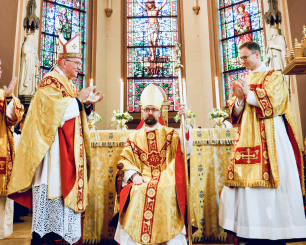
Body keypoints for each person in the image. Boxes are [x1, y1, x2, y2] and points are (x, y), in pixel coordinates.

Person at [8, 33, 104, 245]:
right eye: (77, 63)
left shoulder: (67, 84)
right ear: (64, 62)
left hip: (66, 150)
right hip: (53, 152)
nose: (79, 67)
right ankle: (49, 238)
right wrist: (79, 100)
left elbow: (72, 114)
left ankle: (62, 237)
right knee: (54, 192)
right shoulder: (49, 82)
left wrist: (86, 104)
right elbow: (53, 115)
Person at [219, 41, 306, 244]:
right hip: (247, 139)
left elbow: (275, 104)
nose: (243, 61)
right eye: (241, 58)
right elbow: (235, 112)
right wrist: (239, 100)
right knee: (247, 187)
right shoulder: (244, 79)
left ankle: (276, 230)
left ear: (257, 55)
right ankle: (251, 229)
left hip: (271, 138)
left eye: (245, 57)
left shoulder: (274, 76)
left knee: (274, 184)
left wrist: (247, 94)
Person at [114, 84, 193, 245]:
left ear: (160, 112)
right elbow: (124, 160)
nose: (150, 112)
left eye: (154, 109)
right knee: (138, 191)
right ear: (142, 111)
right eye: (147, 109)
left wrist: (186, 123)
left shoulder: (170, 133)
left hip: (166, 177)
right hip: (142, 178)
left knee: (167, 189)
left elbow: (185, 150)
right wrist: (133, 174)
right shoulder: (133, 136)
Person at [0, 59, 24, 238]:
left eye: (0, 68)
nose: (0, 71)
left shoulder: (4, 95)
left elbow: (13, 118)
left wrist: (8, 98)